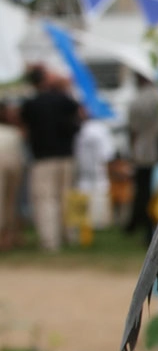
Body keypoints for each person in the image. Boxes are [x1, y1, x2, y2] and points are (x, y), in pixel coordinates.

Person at [19, 65, 81, 251]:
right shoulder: (63, 99)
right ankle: (70, 235)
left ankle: (50, 241)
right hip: (67, 156)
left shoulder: (31, 104)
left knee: (46, 200)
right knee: (66, 196)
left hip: (43, 158)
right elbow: (79, 112)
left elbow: (23, 125)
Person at [125, 74, 158, 245]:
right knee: (157, 193)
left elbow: (132, 130)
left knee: (143, 192)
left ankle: (145, 229)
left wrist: (132, 151)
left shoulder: (136, 101)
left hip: (142, 152)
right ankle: (155, 228)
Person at [73, 105, 117, 232]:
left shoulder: (83, 129)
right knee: (97, 190)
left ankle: (87, 222)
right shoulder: (99, 128)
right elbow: (108, 153)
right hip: (96, 172)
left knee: (88, 189)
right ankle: (97, 222)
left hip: (86, 172)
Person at [0, 102, 25, 250]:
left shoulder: (14, 132)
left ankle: (7, 237)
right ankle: (8, 237)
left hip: (13, 165)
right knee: (10, 203)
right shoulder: (15, 132)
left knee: (8, 203)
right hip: (14, 165)